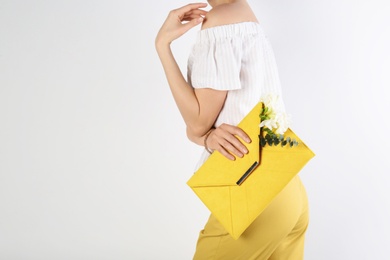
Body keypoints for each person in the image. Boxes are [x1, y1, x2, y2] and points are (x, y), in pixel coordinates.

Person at [155, 1, 309, 259]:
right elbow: (200, 130)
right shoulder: (247, 17)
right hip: (288, 186)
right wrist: (204, 136)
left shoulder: (220, 20)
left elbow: (198, 122)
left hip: (253, 191)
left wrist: (162, 45)